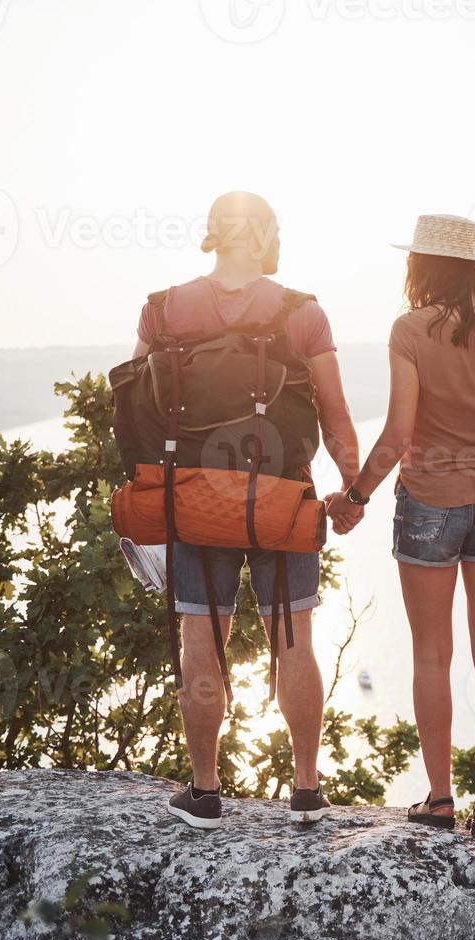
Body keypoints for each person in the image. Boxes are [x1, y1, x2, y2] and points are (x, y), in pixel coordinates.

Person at [134, 191, 361, 830]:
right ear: (265, 237)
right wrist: (353, 490)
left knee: (201, 636)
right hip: (282, 497)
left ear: (212, 234)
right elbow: (335, 410)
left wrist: (152, 490)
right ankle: (307, 789)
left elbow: (133, 406)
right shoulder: (301, 313)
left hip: (194, 499)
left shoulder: (164, 310)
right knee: (293, 637)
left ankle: (205, 792)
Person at [326, 214, 475, 838]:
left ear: (421, 266)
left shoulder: (410, 330)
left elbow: (398, 434)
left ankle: (440, 798)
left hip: (430, 507)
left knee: (432, 655)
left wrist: (355, 494)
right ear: (472, 268)